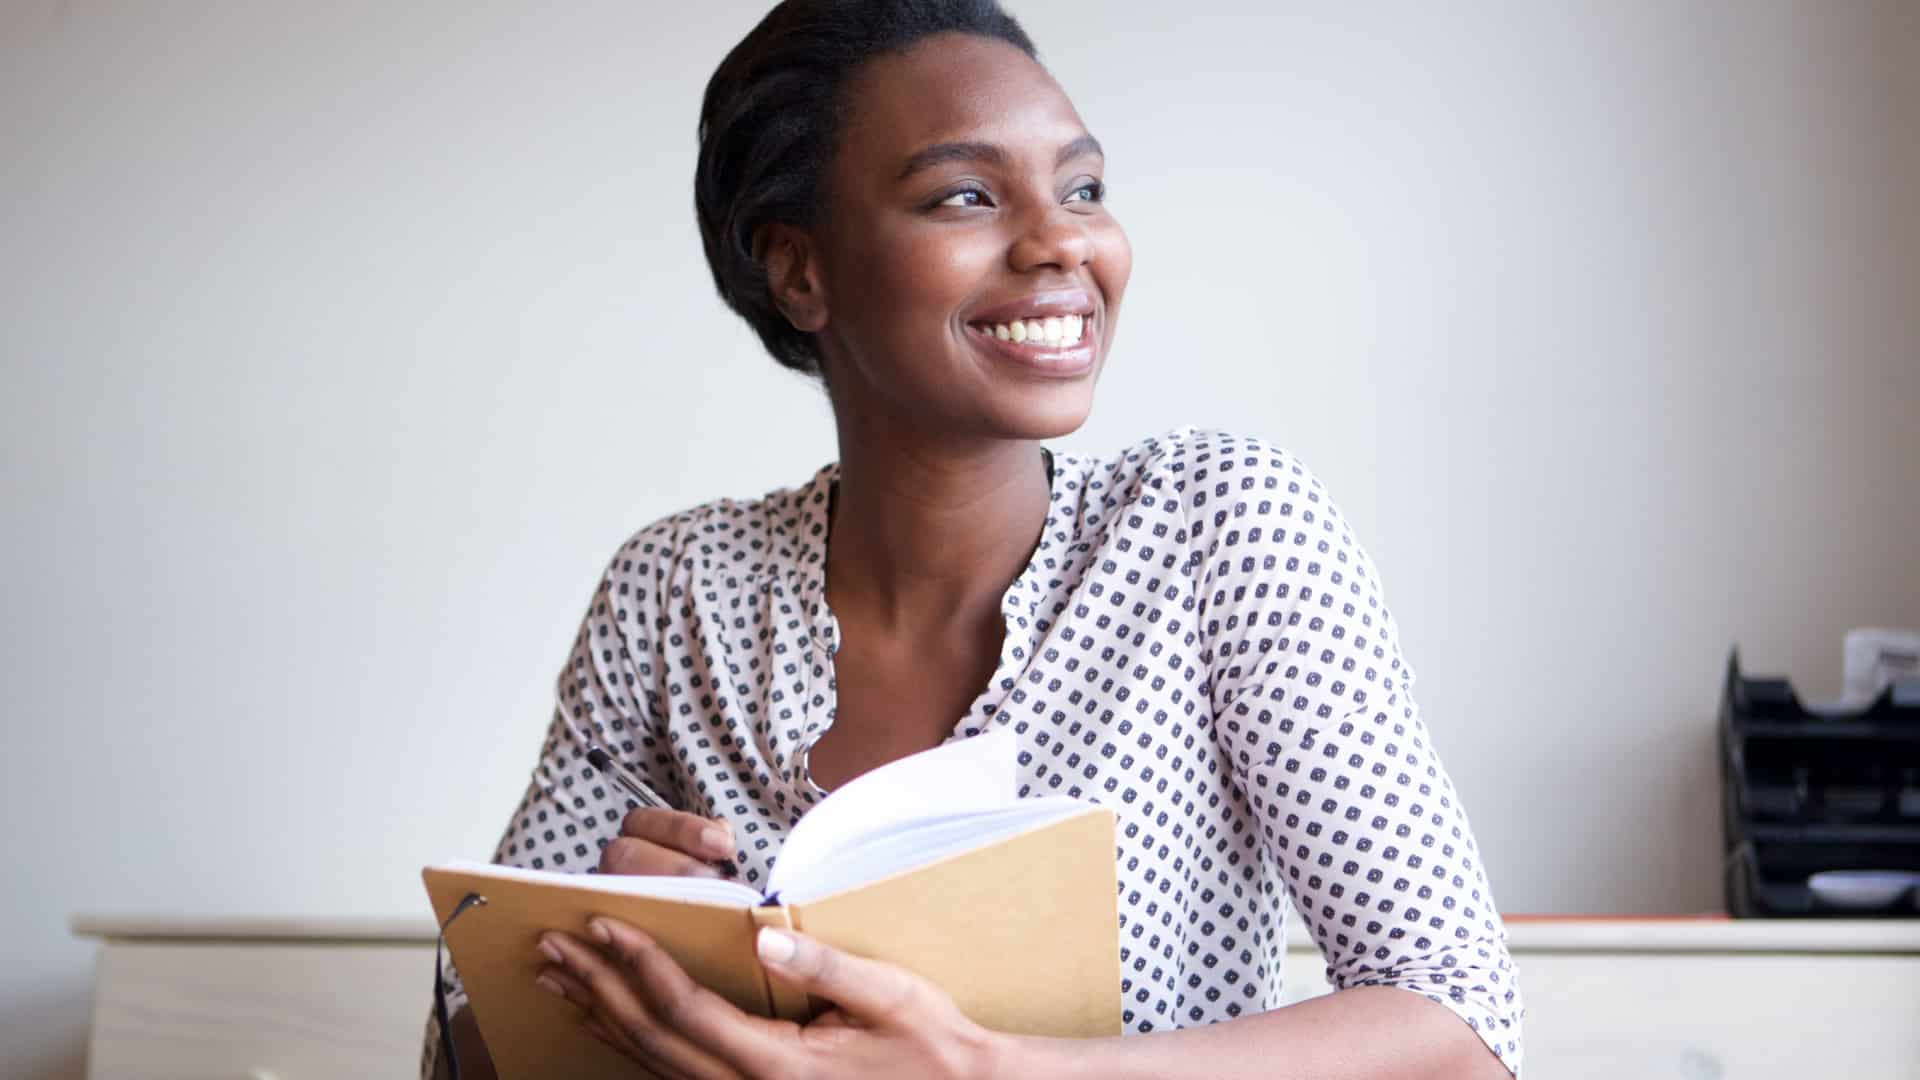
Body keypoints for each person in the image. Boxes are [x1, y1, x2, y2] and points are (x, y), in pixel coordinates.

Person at [426, 1, 1524, 1076]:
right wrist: (591, 977)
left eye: (1084, 187)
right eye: (966, 196)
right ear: (800, 271)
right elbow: (459, 1052)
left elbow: (1458, 1024)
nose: (1062, 241)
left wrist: (989, 1071)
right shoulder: (673, 595)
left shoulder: (1215, 529)